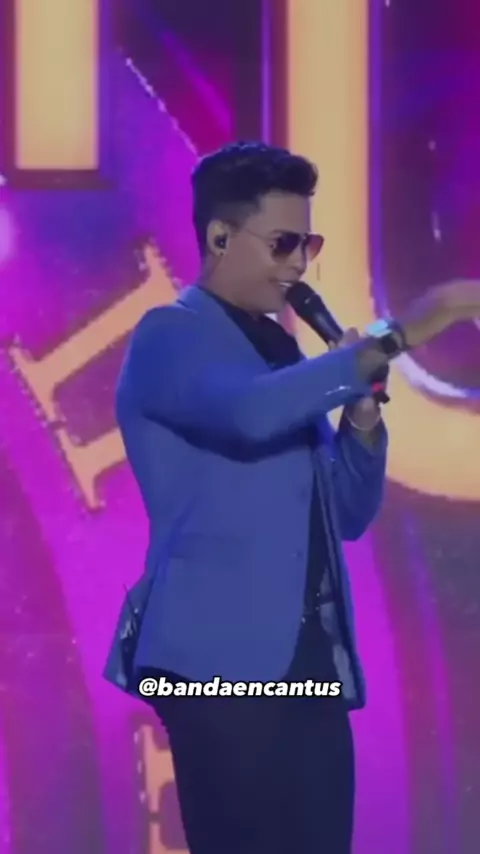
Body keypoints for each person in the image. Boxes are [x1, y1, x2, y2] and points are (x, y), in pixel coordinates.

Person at [104, 142, 480, 854]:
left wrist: (361, 418)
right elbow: (247, 414)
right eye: (283, 243)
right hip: (216, 666)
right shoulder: (171, 335)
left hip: (305, 663)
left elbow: (346, 514)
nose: (299, 264)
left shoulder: (281, 355)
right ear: (220, 237)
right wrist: (403, 335)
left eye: (308, 244)